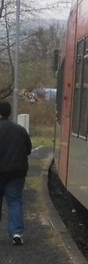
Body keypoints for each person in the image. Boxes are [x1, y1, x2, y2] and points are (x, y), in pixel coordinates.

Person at [0, 101, 32, 245]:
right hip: (17, 173)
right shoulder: (20, 130)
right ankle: (16, 233)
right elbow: (28, 150)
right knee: (14, 202)